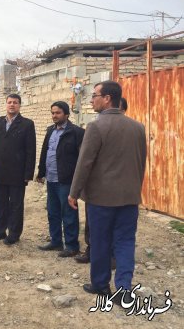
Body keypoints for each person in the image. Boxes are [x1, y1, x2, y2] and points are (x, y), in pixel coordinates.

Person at [68, 81, 146, 303]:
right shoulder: (138, 127)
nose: (92, 99)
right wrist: (134, 189)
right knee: (125, 242)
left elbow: (84, 163)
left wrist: (74, 192)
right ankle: (124, 291)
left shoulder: (96, 126)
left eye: (95, 95)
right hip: (129, 198)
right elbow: (141, 163)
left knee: (100, 242)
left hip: (101, 199)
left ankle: (101, 285)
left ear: (108, 98)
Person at [75, 96, 129, 265]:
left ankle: (112, 255)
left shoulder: (130, 130)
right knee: (92, 222)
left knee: (114, 224)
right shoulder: (97, 127)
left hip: (118, 186)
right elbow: (86, 158)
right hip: (96, 186)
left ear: (123, 110)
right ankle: (91, 250)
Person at [0, 94, 36, 245]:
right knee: (0, 202)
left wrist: (28, 174)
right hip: (0, 170)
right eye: (9, 102)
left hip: (18, 173)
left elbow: (30, 151)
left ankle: (14, 234)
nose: (12, 105)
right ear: (5, 104)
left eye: (15, 102)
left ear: (19, 105)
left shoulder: (27, 124)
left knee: (16, 205)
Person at [36, 101, 84, 257]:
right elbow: (45, 152)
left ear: (66, 114)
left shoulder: (76, 132)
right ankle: (56, 241)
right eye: (52, 113)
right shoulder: (50, 131)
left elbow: (82, 158)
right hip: (51, 179)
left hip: (67, 181)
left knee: (68, 213)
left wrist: (78, 180)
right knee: (53, 212)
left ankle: (72, 246)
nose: (54, 116)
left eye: (57, 113)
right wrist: (41, 172)